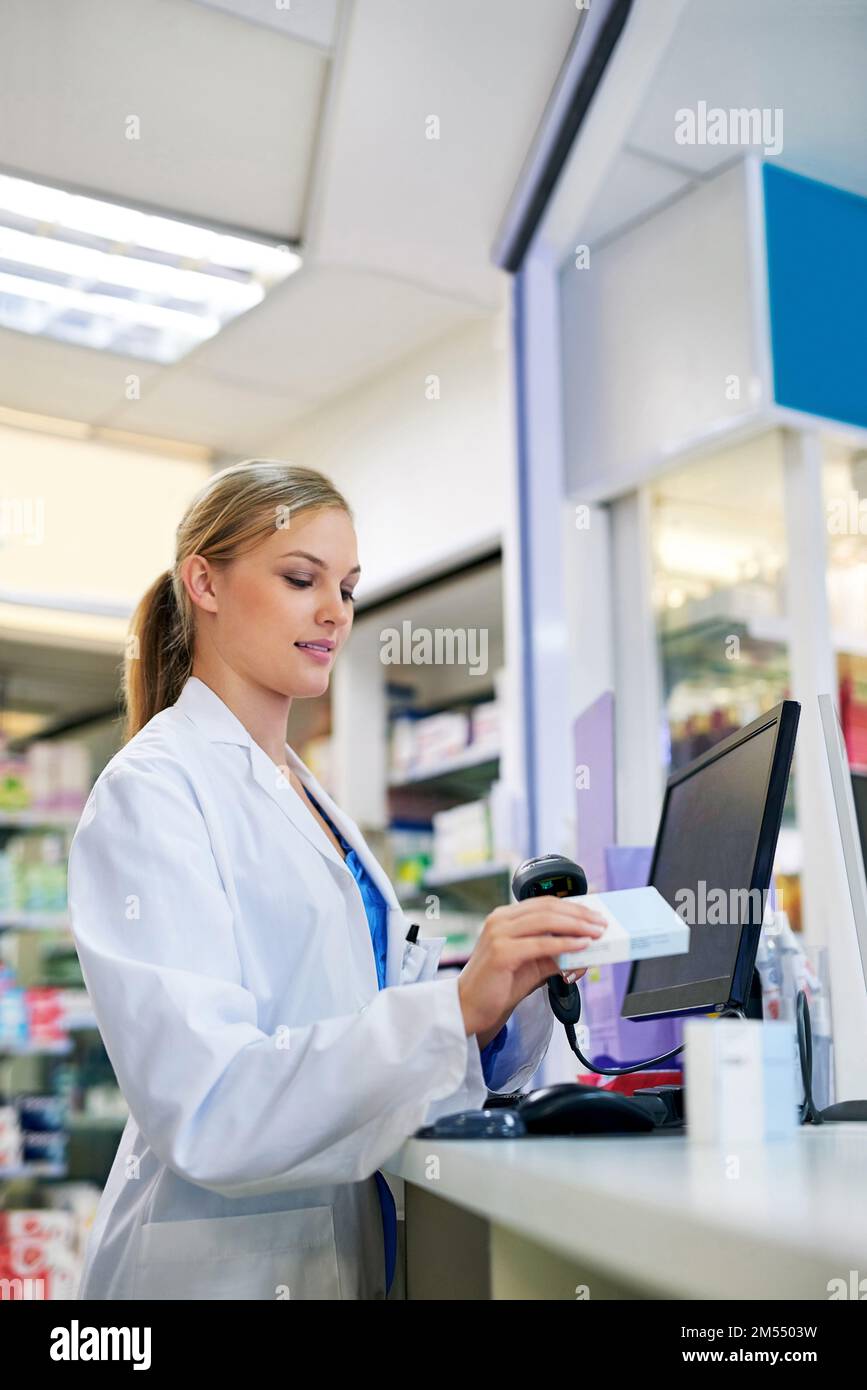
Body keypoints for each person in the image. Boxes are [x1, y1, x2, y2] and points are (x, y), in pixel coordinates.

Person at [67, 459, 606, 1300]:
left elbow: (371, 1025)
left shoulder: (312, 799)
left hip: (345, 1245)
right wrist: (450, 1010)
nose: (334, 612)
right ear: (202, 582)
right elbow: (207, 1104)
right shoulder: (152, 791)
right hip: (214, 1272)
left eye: (348, 588)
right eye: (299, 579)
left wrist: (502, 999)